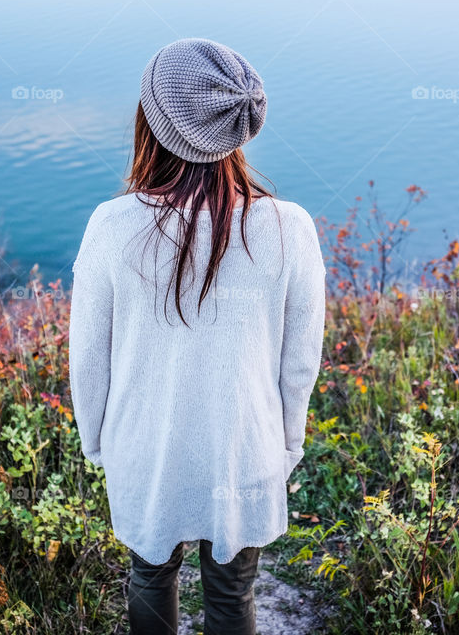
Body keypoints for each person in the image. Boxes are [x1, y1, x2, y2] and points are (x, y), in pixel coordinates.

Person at [68, 37, 326, 635]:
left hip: (144, 445)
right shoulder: (290, 228)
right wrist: (287, 445)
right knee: (234, 595)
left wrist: (97, 442)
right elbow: (299, 362)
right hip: (246, 447)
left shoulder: (112, 225)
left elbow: (89, 357)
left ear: (153, 124)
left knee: (150, 577)